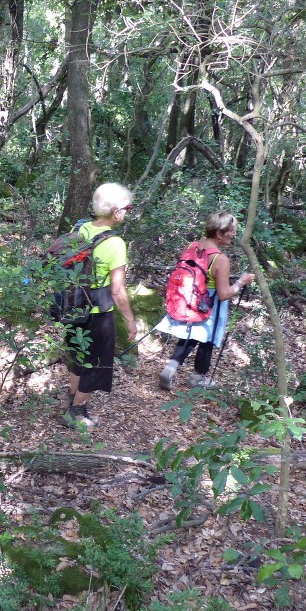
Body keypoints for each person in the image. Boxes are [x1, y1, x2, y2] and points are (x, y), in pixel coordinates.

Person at [62, 182, 138, 429]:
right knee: (94, 363)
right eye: (127, 208)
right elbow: (117, 290)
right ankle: (76, 412)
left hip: (74, 307)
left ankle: (71, 398)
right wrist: (129, 320)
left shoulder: (82, 227)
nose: (127, 212)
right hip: (97, 313)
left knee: (78, 355)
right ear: (116, 211)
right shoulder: (115, 243)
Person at [156, 211, 254, 390]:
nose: (234, 234)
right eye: (231, 231)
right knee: (207, 339)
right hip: (210, 302)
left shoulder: (191, 246)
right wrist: (241, 282)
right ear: (219, 233)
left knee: (190, 335)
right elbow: (224, 293)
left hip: (189, 298)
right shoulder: (220, 259)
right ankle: (198, 377)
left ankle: (170, 368)